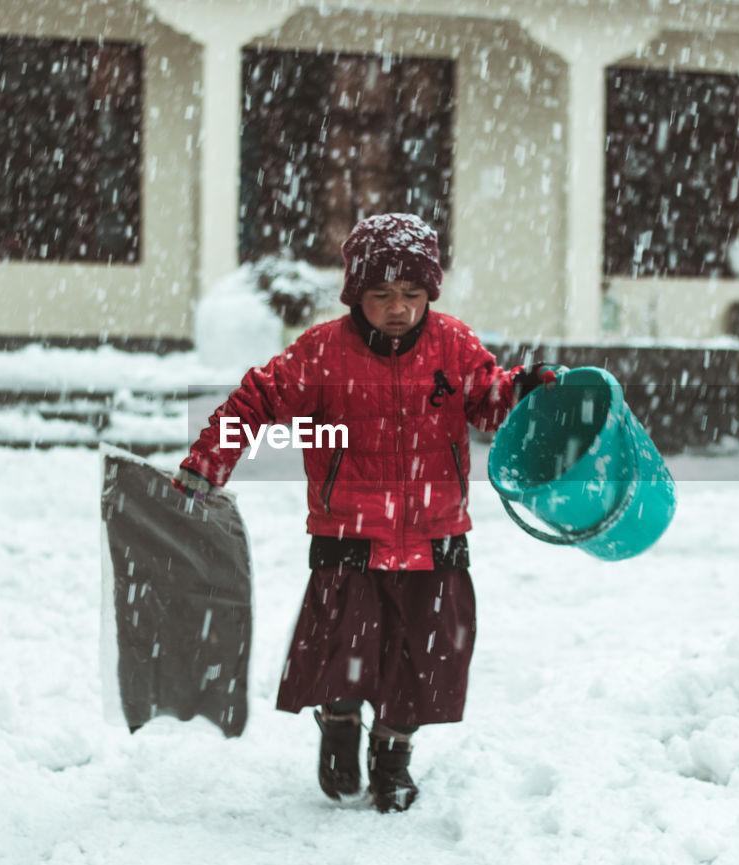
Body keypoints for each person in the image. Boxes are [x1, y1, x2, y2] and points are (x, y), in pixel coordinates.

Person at [171, 213, 558, 813]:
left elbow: (489, 401)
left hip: (435, 532)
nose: (398, 308)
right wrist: (207, 461)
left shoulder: (453, 345)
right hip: (348, 528)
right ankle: (340, 721)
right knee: (343, 644)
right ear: (357, 294)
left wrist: (525, 391)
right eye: (381, 295)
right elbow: (256, 401)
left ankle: (392, 755)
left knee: (422, 655)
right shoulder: (322, 352)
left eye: (412, 295)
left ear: (430, 293)